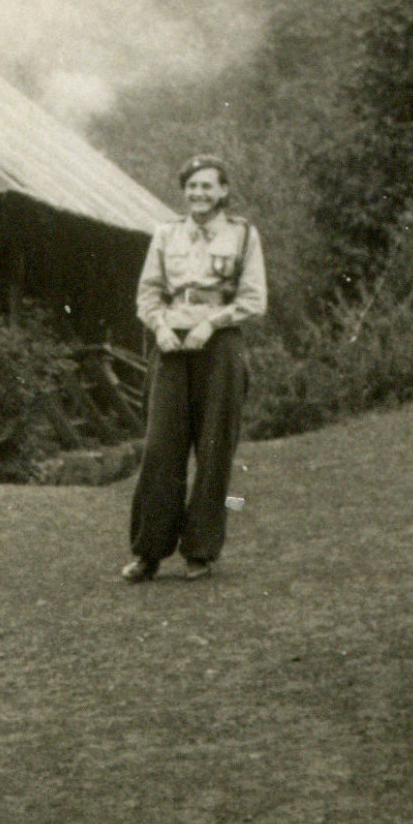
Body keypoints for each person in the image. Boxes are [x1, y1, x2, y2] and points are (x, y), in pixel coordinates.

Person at [122, 154, 268, 582]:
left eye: (208, 186)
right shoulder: (166, 234)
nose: (199, 194)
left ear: (223, 191)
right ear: (184, 192)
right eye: (192, 187)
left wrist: (211, 323)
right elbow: (147, 295)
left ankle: (200, 551)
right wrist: (161, 327)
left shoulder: (243, 236)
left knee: (214, 449)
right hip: (171, 346)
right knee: (160, 449)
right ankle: (148, 551)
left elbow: (254, 300)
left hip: (219, 346)